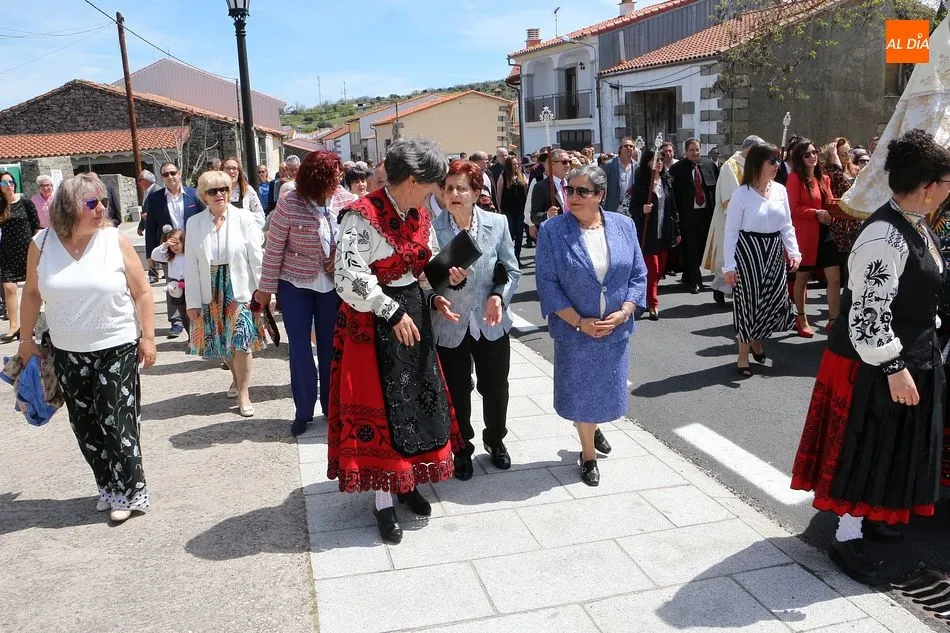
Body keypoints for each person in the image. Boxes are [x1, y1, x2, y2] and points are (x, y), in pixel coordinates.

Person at [790, 129, 950, 586]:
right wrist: (894, 368)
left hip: (910, 354)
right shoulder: (884, 234)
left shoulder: (915, 223)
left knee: (891, 446)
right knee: (863, 447)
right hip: (874, 364)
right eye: (947, 181)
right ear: (928, 186)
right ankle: (846, 536)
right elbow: (867, 315)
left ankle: (875, 514)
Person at [328, 137, 464, 545]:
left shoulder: (419, 213)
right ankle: (383, 500)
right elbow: (348, 276)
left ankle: (407, 481)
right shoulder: (361, 215)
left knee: (414, 403)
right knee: (382, 411)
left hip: (413, 316)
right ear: (412, 180)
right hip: (372, 323)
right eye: (431, 184)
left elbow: (422, 266)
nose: (435, 192)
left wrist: (439, 289)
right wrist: (390, 310)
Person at [18, 173, 156, 523]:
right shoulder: (41, 244)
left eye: (104, 202)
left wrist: (148, 337)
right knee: (85, 424)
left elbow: (142, 291)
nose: (102, 209)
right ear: (68, 207)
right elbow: (31, 294)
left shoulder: (113, 240)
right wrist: (25, 339)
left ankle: (130, 489)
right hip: (66, 351)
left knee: (116, 419)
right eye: (92, 203)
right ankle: (107, 485)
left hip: (116, 345)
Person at [535, 164, 647, 486]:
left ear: (600, 195)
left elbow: (638, 275)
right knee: (581, 395)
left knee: (603, 392)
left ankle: (591, 427)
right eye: (569, 190)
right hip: (575, 332)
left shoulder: (624, 225)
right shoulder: (553, 231)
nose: (573, 196)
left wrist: (625, 311)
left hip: (614, 330)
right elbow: (547, 283)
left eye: (582, 191)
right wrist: (578, 322)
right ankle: (587, 455)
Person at [255, 151, 358, 437]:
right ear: (315, 179)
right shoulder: (290, 203)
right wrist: (265, 291)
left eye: (339, 177)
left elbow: (357, 241)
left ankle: (332, 407)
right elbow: (274, 249)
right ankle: (303, 411)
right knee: (300, 349)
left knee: (330, 348)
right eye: (332, 178)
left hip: (332, 287)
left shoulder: (347, 201)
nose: (337, 182)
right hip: (295, 284)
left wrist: (339, 256)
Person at [433, 160, 521, 478]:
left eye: (461, 188)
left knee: (495, 387)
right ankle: (461, 448)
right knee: (457, 390)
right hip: (450, 322)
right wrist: (442, 284)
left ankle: (495, 440)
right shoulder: (431, 227)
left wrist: (499, 296)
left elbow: (510, 269)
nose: (454, 194)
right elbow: (425, 277)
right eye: (448, 188)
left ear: (475, 192)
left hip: (490, 320)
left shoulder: (497, 224)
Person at [184, 170, 267, 418]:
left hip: (239, 287)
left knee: (241, 341)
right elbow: (190, 264)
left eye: (224, 189)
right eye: (213, 191)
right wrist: (192, 302)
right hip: (210, 288)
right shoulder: (194, 223)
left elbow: (256, 257)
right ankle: (236, 378)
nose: (219, 194)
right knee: (224, 343)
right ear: (204, 196)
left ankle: (244, 393)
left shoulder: (244, 218)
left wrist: (265, 291)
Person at [722, 143, 801, 376]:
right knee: (748, 303)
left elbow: (786, 225)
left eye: (778, 161)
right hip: (748, 252)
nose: (777, 165)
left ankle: (757, 340)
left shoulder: (780, 190)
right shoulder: (741, 194)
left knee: (771, 301)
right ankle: (743, 354)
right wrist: (729, 266)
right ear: (758, 164)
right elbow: (731, 232)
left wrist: (794, 252)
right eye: (772, 161)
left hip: (774, 251)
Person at [144, 162, 205, 339]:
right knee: (173, 285)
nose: (170, 177)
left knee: (195, 286)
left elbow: (204, 219)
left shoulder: (194, 194)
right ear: (161, 178)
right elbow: (150, 227)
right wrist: (150, 254)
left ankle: (199, 327)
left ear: (179, 173)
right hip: (170, 249)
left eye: (173, 173)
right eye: (165, 174)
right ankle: (176, 322)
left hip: (193, 248)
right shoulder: (155, 198)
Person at [787, 138, 840, 338]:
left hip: (825, 232)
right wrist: (815, 213)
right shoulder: (794, 179)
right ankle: (801, 317)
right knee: (802, 278)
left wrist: (836, 211)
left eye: (814, 152)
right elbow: (793, 208)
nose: (812, 157)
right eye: (807, 154)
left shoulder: (823, 178)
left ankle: (834, 320)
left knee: (834, 278)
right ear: (799, 158)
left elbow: (830, 203)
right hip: (805, 234)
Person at [704, 135, 764, 307]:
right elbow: (729, 197)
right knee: (731, 257)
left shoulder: (753, 164)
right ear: (751, 149)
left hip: (752, 219)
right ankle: (720, 288)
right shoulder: (731, 166)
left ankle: (737, 292)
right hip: (733, 219)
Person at [622, 147, 680, 320]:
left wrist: (677, 230)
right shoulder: (641, 185)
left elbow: (673, 207)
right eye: (655, 160)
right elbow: (633, 209)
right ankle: (653, 303)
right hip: (648, 233)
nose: (659, 163)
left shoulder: (667, 182)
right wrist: (642, 209)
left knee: (660, 270)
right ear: (647, 163)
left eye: (661, 160)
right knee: (652, 270)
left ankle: (647, 297)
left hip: (665, 231)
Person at [670, 139, 718, 294]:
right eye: (691, 150)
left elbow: (716, 190)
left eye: (697, 149)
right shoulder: (677, 169)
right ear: (685, 151)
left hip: (706, 214)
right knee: (691, 248)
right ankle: (695, 281)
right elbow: (673, 196)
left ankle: (688, 275)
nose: (695, 153)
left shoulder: (710, 166)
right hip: (687, 216)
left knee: (702, 246)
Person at [0, 171, 41, 343]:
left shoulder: (25, 202)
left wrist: (37, 248)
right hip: (7, 251)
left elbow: (36, 226)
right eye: (4, 183)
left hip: (27, 250)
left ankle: (32, 325)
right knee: (9, 288)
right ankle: (14, 326)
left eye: (11, 182)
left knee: (32, 288)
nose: (8, 186)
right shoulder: (1, 205)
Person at [825, 139, 866, 287]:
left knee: (857, 265)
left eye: (849, 151)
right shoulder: (830, 172)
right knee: (842, 267)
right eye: (843, 153)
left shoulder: (856, 170)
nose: (847, 155)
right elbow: (841, 183)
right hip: (840, 225)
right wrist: (834, 156)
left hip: (855, 221)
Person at [150, 228, 189, 334]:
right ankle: (190, 336)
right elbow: (154, 255)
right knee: (182, 313)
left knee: (192, 312)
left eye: (177, 243)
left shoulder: (190, 254)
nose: (174, 247)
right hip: (176, 286)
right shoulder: (169, 256)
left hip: (189, 284)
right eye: (172, 244)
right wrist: (165, 245)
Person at [495, 155, 528, 264]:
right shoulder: (503, 176)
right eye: (513, 164)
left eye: (517, 164)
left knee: (519, 234)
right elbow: (499, 194)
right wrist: (499, 209)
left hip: (520, 210)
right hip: (507, 210)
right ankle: (507, 257)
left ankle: (517, 257)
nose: (516, 166)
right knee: (511, 233)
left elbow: (526, 191)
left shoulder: (521, 175)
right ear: (509, 165)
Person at [529, 148, 571, 228]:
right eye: (564, 162)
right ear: (552, 164)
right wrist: (547, 215)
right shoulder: (541, 187)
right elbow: (534, 217)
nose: (568, 165)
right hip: (554, 231)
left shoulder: (572, 183)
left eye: (570, 162)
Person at [221, 157, 265, 229]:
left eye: (234, 168)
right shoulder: (215, 192)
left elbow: (261, 217)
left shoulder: (248, 190)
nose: (231, 171)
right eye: (228, 168)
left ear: (239, 171)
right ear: (222, 171)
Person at [604, 137, 637, 212]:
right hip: (613, 208)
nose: (628, 148)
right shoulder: (609, 164)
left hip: (631, 208)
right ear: (620, 149)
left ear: (634, 149)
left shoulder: (637, 166)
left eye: (631, 146)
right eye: (626, 146)